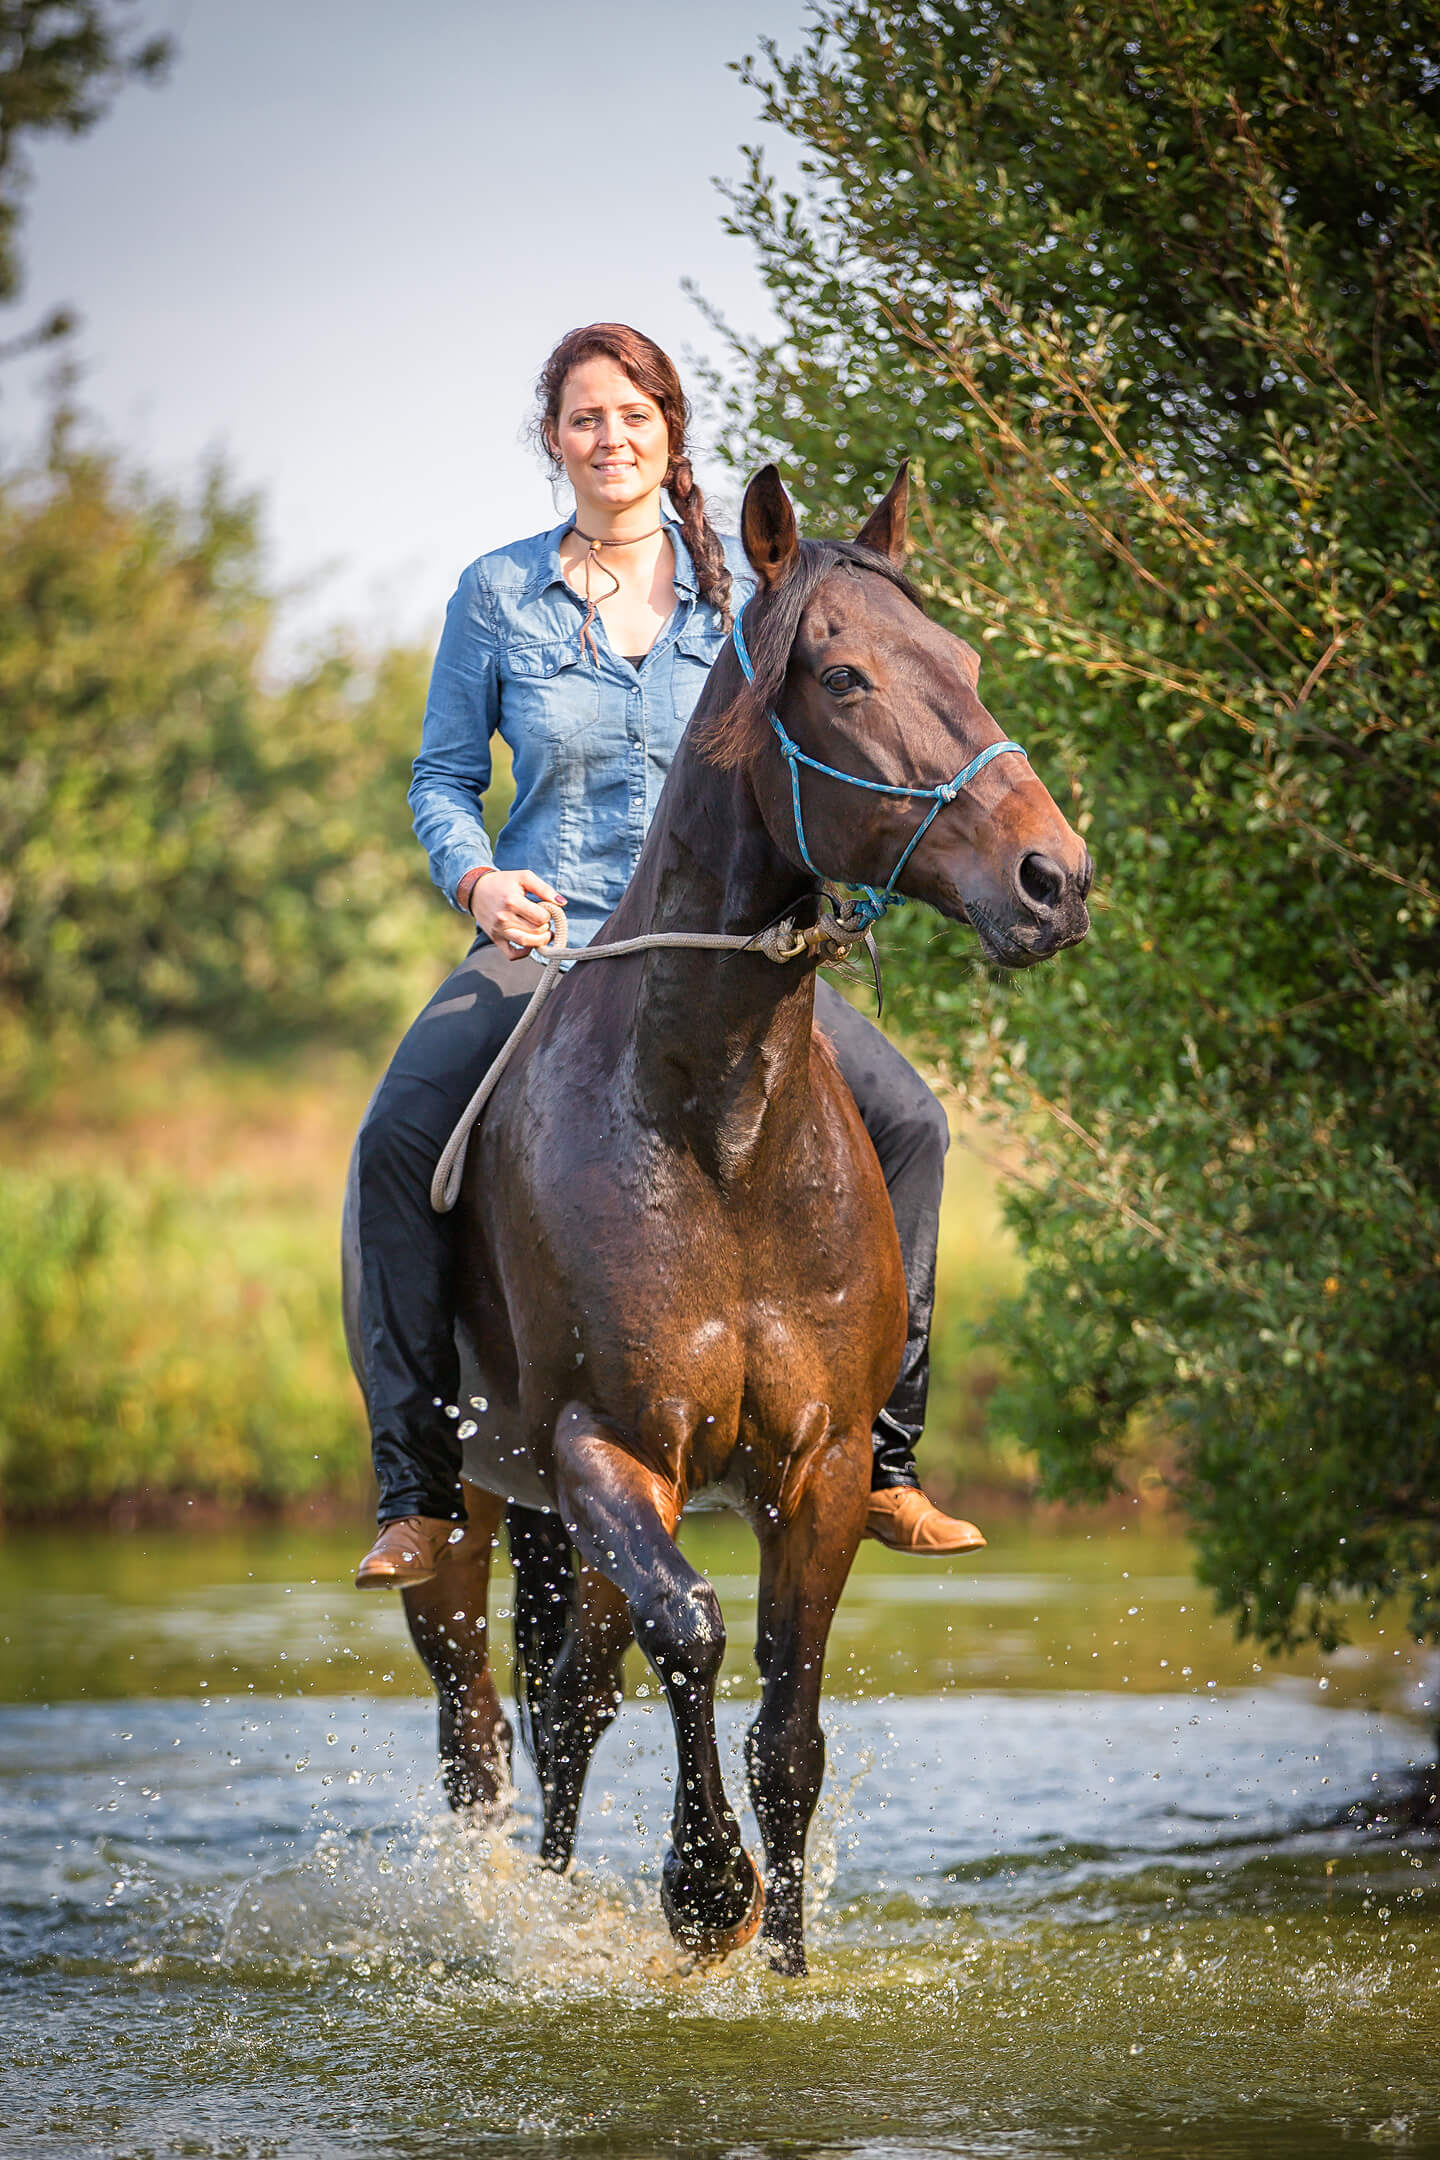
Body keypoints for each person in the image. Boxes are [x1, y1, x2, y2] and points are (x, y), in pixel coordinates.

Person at [353, 322, 984, 1590]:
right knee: (395, 1140)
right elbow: (438, 779)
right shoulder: (495, 593)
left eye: (633, 417)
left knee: (911, 1123)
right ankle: (417, 1487)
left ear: (668, 436)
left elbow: (831, 767)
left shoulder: (746, 603)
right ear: (554, 441)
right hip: (554, 944)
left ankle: (892, 1463)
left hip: (729, 950)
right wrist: (477, 878)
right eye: (586, 419)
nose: (610, 440)